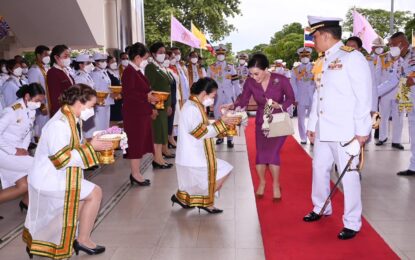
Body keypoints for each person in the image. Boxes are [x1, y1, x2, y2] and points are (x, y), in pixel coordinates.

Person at [303, 16, 372, 240]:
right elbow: (318, 94)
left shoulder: (352, 58)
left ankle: (352, 221)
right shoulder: (324, 59)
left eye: (314, 37)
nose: (313, 42)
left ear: (325, 35)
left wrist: (362, 132)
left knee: (349, 176)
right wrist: (313, 124)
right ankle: (320, 207)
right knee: (319, 168)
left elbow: (363, 96)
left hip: (345, 131)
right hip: (324, 128)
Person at [23, 84, 112, 258]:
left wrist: (92, 142)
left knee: (80, 202)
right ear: (80, 102)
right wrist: (91, 147)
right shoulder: (60, 123)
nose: (92, 110)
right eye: (91, 106)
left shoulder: (70, 116)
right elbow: (61, 159)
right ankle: (83, 240)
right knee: (95, 193)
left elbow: (73, 146)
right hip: (48, 176)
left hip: (55, 173)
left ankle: (39, 240)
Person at [225, 53, 295, 200]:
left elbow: (291, 98)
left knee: (273, 153)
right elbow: (243, 99)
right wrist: (232, 105)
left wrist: (281, 105)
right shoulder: (250, 82)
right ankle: (262, 182)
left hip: (278, 119)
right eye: (251, 73)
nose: (254, 77)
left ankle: (275, 184)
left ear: (266, 69)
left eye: (256, 73)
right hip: (261, 121)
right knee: (261, 155)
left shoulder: (280, 79)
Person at [172, 77, 235, 213]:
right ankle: (205, 202)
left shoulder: (195, 106)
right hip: (192, 158)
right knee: (224, 170)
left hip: (192, 155)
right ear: (203, 93)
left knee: (194, 185)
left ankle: (186, 198)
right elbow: (201, 133)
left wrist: (220, 123)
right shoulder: (192, 109)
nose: (213, 99)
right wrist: (222, 123)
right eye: (213, 95)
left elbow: (202, 128)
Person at [0, 83, 45, 217]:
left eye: (41, 102)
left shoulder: (30, 110)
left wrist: (23, 150)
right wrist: (14, 151)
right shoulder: (12, 111)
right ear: (27, 96)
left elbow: (27, 132)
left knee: (23, 186)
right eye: (37, 101)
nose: (39, 104)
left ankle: (26, 202)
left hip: (15, 153)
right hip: (4, 153)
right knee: (40, 167)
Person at [122, 42, 157, 185]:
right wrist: (147, 97)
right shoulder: (129, 72)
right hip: (134, 114)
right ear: (137, 57)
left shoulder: (136, 71)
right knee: (135, 143)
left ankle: (136, 172)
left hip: (141, 112)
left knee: (141, 142)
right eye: (145, 59)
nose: (145, 62)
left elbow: (141, 89)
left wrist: (151, 96)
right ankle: (135, 174)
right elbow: (129, 93)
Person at [385, 32, 415, 176]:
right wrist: (371, 94)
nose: (391, 47)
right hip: (410, 102)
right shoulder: (399, 61)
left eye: (392, 44)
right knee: (413, 134)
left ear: (402, 43)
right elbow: (392, 81)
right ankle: (414, 166)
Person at [145, 42, 174, 169]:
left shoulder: (161, 67)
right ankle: (157, 159)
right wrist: (151, 107)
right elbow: (148, 88)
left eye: (164, 52)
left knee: (162, 130)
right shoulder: (151, 67)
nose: (163, 54)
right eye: (160, 52)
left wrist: (169, 104)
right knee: (157, 131)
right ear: (153, 53)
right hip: (156, 104)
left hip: (164, 104)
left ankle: (160, 157)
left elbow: (167, 86)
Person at [207, 44, 240, 148]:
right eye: (218, 53)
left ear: (225, 54)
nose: (220, 55)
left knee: (230, 116)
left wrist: (238, 95)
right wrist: (209, 97)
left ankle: (230, 139)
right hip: (217, 96)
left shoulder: (231, 67)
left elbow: (236, 82)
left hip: (229, 96)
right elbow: (208, 83)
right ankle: (220, 136)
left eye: (222, 54)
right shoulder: (211, 67)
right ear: (216, 54)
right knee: (218, 116)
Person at [375, 42, 404, 150]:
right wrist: (376, 92)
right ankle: (383, 138)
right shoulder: (382, 57)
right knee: (384, 116)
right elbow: (377, 73)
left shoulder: (404, 58)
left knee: (399, 117)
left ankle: (396, 141)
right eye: (392, 45)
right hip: (384, 92)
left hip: (399, 92)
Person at [290, 47, 315, 144]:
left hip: (312, 96)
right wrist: (295, 97)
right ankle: (303, 137)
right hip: (300, 97)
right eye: (303, 56)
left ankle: (312, 137)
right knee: (301, 118)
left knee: (313, 118)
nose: (305, 57)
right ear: (300, 57)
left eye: (307, 55)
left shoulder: (315, 67)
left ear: (310, 56)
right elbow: (293, 84)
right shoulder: (295, 69)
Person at [28, 45, 51, 140]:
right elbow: (34, 90)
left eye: (48, 54)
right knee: (40, 127)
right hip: (41, 106)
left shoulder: (45, 68)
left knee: (47, 128)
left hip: (48, 102)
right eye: (45, 54)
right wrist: (41, 106)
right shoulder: (34, 70)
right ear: (38, 55)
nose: (47, 57)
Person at [46, 44, 74, 116]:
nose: (68, 58)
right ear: (56, 57)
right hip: (62, 111)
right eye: (65, 56)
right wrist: (61, 113)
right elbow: (55, 97)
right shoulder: (53, 72)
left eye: (69, 56)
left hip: (70, 107)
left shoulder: (65, 70)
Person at [91, 53, 113, 134]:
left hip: (107, 102)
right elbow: (95, 90)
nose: (104, 62)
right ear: (96, 62)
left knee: (105, 125)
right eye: (102, 61)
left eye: (105, 61)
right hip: (100, 103)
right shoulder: (94, 74)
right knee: (100, 126)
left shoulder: (103, 72)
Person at [107, 55, 123, 123]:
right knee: (114, 123)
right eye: (112, 62)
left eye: (115, 61)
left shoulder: (116, 72)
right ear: (107, 63)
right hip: (113, 101)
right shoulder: (107, 73)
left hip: (119, 101)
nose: (114, 63)